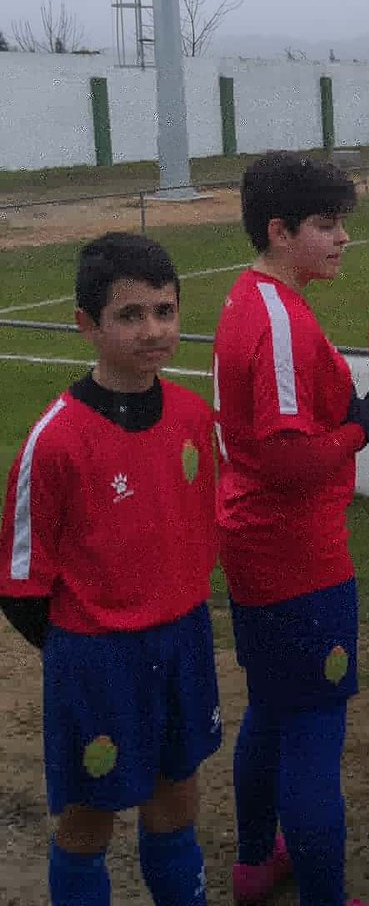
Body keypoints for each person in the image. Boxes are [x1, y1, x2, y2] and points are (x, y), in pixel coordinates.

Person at [213, 152, 369, 906]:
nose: (341, 240)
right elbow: (285, 455)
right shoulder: (276, 315)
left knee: (271, 710)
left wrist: (356, 417)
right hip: (297, 555)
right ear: (279, 230)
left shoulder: (253, 300)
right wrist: (361, 430)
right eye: (326, 226)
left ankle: (257, 862)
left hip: (262, 545)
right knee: (314, 732)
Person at [0, 233, 221, 906]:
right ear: (87, 326)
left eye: (164, 310)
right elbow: (19, 583)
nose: (152, 330)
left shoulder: (191, 416)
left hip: (183, 640)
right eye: (130, 315)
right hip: (97, 658)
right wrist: (85, 643)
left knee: (177, 796)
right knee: (90, 816)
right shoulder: (58, 439)